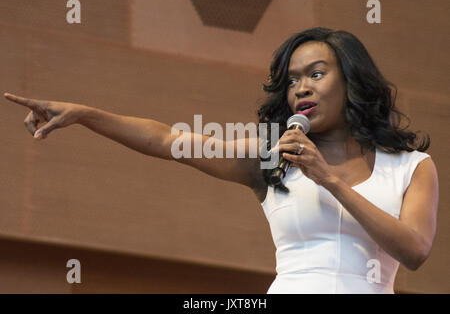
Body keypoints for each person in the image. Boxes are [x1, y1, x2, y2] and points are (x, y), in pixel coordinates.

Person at [4, 27, 439, 294]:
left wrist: (329, 181)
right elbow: (166, 139)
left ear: (352, 80)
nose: (300, 88)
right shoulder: (272, 158)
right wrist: (85, 115)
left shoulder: (410, 166)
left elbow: (415, 250)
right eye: (291, 80)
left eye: (316, 74)